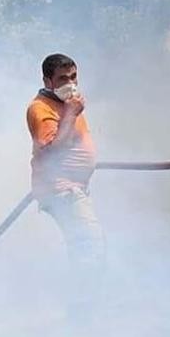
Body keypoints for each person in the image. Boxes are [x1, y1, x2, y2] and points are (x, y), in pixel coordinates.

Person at [26, 53, 105, 272]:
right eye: (62, 78)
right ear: (47, 82)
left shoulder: (68, 104)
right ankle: (86, 301)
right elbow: (51, 153)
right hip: (61, 190)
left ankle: (86, 296)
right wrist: (70, 114)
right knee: (90, 246)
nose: (70, 83)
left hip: (73, 189)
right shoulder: (41, 108)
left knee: (86, 246)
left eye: (73, 77)